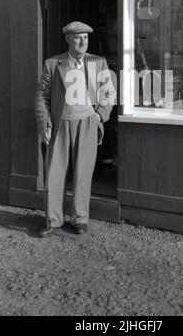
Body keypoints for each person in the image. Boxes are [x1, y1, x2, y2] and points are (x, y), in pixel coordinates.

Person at [34, 21, 115, 237]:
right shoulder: (53, 63)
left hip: (87, 123)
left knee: (83, 173)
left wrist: (99, 116)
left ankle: (80, 219)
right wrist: (45, 124)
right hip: (60, 123)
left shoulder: (98, 62)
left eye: (86, 38)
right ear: (68, 39)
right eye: (78, 38)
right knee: (55, 171)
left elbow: (108, 93)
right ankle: (53, 220)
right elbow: (42, 96)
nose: (82, 42)